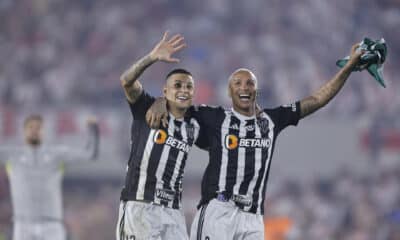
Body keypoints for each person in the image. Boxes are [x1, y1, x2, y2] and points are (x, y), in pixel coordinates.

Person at [147, 43, 364, 239]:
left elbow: (317, 99)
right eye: (238, 83)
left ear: (256, 90)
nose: (244, 87)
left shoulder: (271, 120)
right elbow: (178, 103)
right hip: (219, 211)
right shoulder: (216, 117)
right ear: (230, 92)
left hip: (253, 218)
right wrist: (160, 101)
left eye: (249, 83)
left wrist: (348, 68)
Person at [116, 31, 203, 240]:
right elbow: (126, 82)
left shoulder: (195, 123)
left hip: (173, 212)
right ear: (165, 91)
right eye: (177, 85)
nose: (183, 90)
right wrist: (152, 58)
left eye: (189, 86)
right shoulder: (146, 108)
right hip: (140, 207)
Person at [0, 114, 100, 240]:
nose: (34, 131)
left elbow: (89, 154)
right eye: (31, 127)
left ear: (44, 131)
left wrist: (93, 129)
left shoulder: (56, 155)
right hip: (23, 223)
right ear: (24, 131)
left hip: (52, 224)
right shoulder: (11, 155)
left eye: (38, 127)